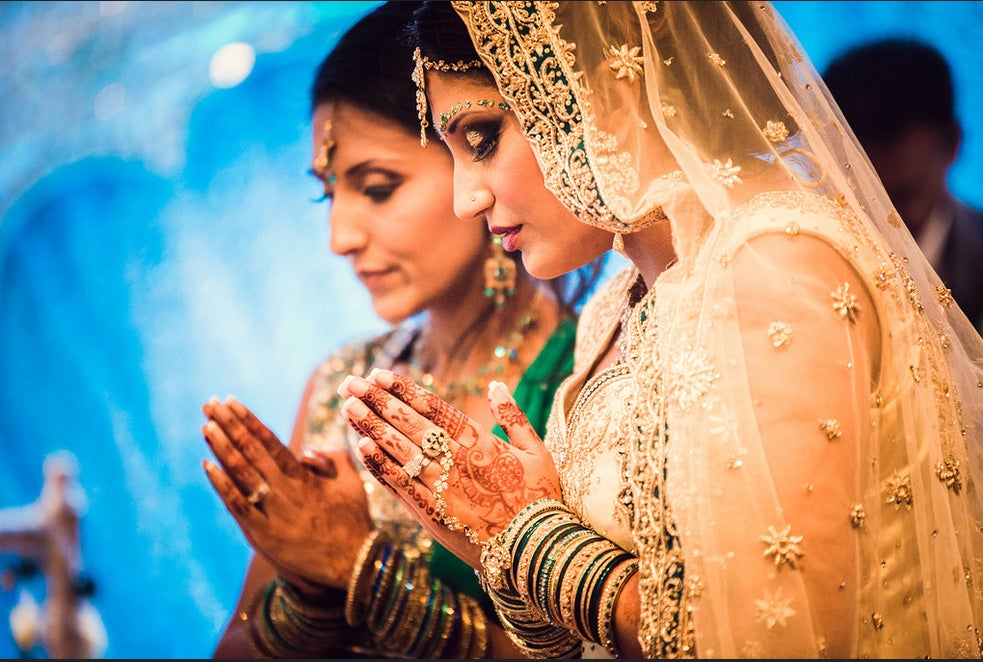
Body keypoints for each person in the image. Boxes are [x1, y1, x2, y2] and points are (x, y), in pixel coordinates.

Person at [337, 1, 983, 658]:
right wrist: (495, 541)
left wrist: (525, 537)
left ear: (599, 88)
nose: (465, 197)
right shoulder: (617, 303)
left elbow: (772, 641)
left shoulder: (773, 270)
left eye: (480, 139)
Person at [199, 2, 609, 658]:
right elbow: (235, 645)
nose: (340, 237)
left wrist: (364, 572)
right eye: (327, 194)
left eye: (378, 187)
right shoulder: (342, 384)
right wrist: (311, 595)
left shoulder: (591, 369)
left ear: (472, 149)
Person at [823, 38, 983, 332]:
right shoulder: (812, 261)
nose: (884, 213)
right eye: (862, 191)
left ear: (951, 143)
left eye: (901, 196)